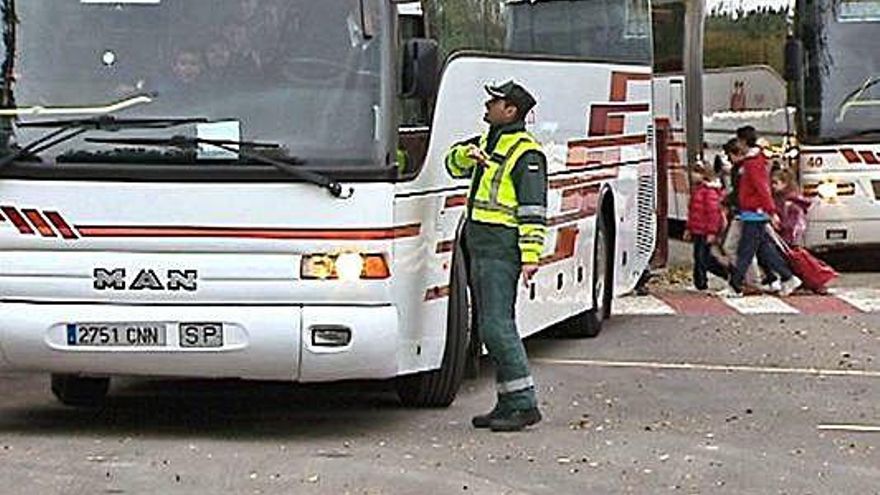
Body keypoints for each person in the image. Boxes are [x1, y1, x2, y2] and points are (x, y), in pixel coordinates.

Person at [445, 81, 547, 432]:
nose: (487, 104)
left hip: (502, 246)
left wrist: (531, 255)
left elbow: (534, 210)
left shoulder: (526, 153)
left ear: (511, 111)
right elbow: (452, 164)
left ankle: (523, 402)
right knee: (493, 325)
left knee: (496, 327)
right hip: (481, 243)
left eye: (495, 101)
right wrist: (464, 156)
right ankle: (507, 402)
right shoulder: (487, 141)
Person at [722, 126, 802, 297]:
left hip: (754, 212)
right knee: (764, 249)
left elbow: (761, 188)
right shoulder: (756, 161)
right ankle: (788, 277)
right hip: (754, 212)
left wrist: (771, 210)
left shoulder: (752, 163)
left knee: (746, 250)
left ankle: (736, 286)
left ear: (743, 142)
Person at [684, 166, 729, 291]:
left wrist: (712, 232)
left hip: (705, 230)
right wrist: (688, 228)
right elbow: (692, 212)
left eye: (696, 172)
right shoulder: (699, 190)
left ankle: (726, 274)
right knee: (699, 257)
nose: (693, 175)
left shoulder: (709, 192)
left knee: (703, 258)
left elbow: (713, 213)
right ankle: (700, 282)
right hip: (698, 229)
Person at [771, 169, 811, 246]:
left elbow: (791, 224)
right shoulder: (780, 199)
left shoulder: (790, 204)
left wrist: (780, 225)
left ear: (785, 184)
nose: (773, 186)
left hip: (788, 238)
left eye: (776, 183)